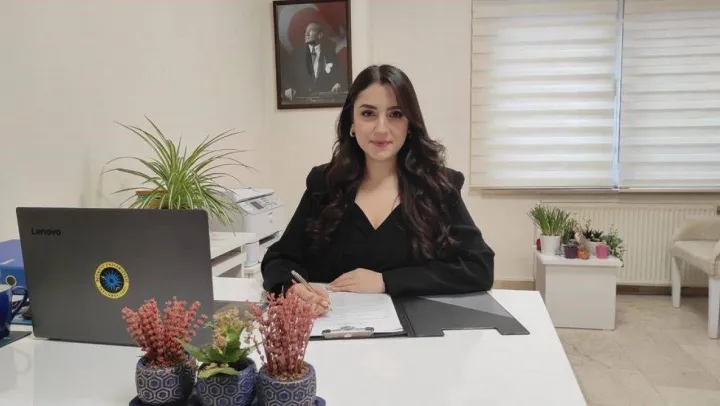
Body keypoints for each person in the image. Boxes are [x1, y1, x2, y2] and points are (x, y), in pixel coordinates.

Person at [262, 64, 495, 314]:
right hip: (332, 329)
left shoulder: (438, 185)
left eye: (396, 114)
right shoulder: (324, 183)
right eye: (368, 114)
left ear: (409, 124)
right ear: (352, 122)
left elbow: (479, 267)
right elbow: (279, 259)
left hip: (416, 332)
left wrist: (386, 281)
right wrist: (292, 289)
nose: (382, 128)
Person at [281, 22, 346, 101]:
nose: (307, 34)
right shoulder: (296, 54)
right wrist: (288, 88)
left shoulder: (330, 54)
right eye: (305, 31)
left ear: (320, 35)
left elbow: (337, 75)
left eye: (311, 30)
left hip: (323, 101)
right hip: (301, 100)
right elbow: (287, 76)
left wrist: (337, 84)